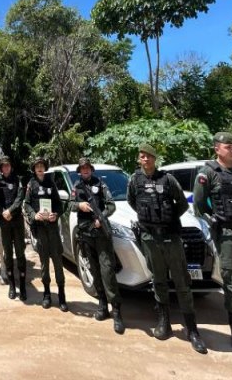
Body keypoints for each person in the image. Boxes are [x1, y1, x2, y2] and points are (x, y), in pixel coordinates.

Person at [127, 144, 207, 353]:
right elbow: (132, 202)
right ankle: (164, 322)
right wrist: (150, 220)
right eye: (142, 156)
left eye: (149, 156)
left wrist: (165, 219)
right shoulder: (135, 180)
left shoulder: (168, 179)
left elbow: (181, 204)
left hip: (171, 237)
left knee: (181, 281)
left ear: (155, 158)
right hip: (149, 238)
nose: (145, 159)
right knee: (159, 280)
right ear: (139, 159)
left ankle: (192, 329)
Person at [193, 132, 232, 356]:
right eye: (229, 147)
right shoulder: (208, 173)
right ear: (217, 149)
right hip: (229, 237)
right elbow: (199, 205)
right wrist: (213, 221)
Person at [71, 158, 125, 334]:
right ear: (80, 171)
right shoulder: (76, 187)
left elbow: (111, 205)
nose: (85, 171)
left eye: (87, 168)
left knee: (107, 270)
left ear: (91, 170)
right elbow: (70, 205)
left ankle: (116, 311)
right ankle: (102, 305)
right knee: (94, 270)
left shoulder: (100, 184)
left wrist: (100, 217)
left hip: (101, 234)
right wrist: (80, 205)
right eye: (82, 169)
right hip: (86, 234)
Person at [23, 157, 67, 311]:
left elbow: (59, 205)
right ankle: (47, 294)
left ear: (45, 168)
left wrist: (56, 214)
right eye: (37, 166)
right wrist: (33, 215)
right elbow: (26, 203)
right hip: (40, 229)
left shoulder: (51, 182)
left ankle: (62, 296)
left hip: (53, 229)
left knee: (58, 262)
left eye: (42, 166)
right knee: (44, 263)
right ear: (34, 169)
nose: (40, 168)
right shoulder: (31, 184)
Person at [0, 156, 27, 301]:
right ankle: (12, 286)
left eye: (8, 165)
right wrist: (2, 212)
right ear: (0, 168)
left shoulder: (17, 180)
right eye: (3, 166)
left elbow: (20, 198)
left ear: (10, 167)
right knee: (7, 254)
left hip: (17, 221)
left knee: (20, 253)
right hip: (4, 223)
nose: (6, 168)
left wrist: (10, 211)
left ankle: (23, 286)